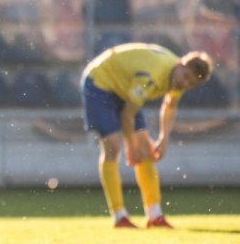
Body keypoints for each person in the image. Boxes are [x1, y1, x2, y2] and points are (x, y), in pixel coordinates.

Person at [81, 42, 212, 229]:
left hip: (125, 87)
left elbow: (170, 105)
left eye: (191, 84)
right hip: (100, 82)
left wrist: (163, 139)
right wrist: (130, 146)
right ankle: (119, 216)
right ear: (181, 63)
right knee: (113, 147)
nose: (185, 84)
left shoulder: (179, 76)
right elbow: (127, 114)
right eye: (185, 77)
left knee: (145, 149)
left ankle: (154, 215)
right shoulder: (150, 76)